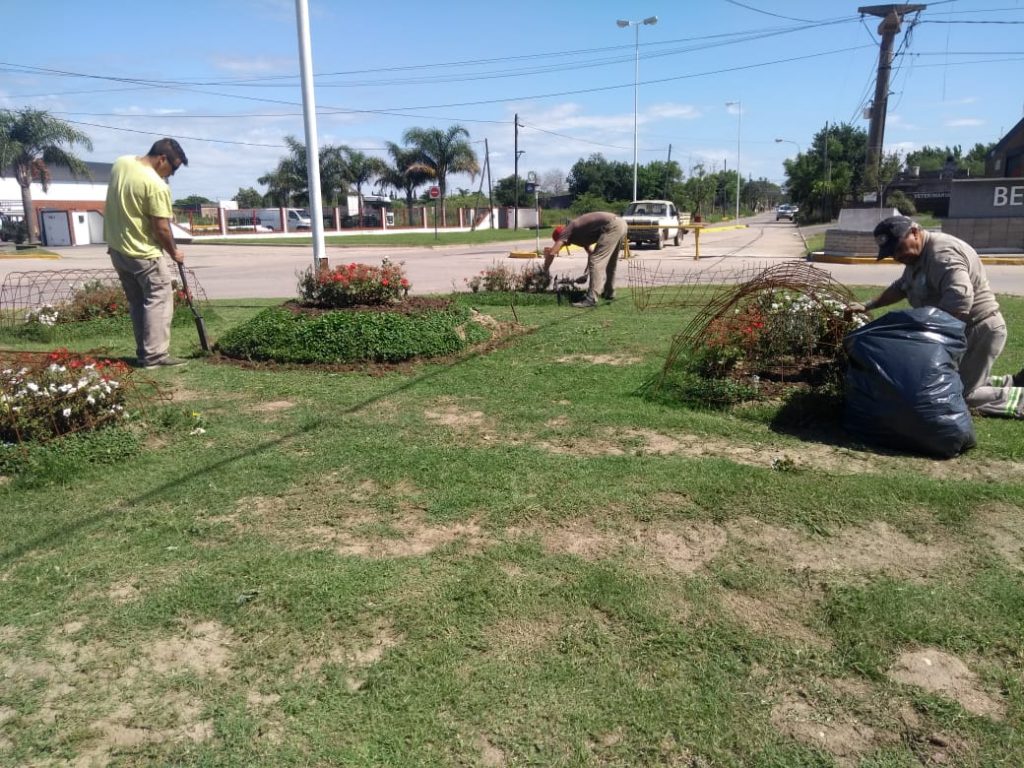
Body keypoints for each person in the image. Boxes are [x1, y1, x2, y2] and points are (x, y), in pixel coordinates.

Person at [850, 215, 1023, 418]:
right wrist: (868, 305)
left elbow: (959, 300)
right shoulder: (916, 258)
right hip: (964, 332)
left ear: (914, 232)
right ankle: (1014, 382)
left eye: (898, 248)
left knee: (958, 396)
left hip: (978, 330)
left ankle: (1018, 400)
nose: (896, 256)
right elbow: (901, 287)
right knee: (955, 382)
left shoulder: (941, 254)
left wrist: (930, 339)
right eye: (892, 253)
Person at [104, 138, 189, 368]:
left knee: (138, 302)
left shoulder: (121, 163)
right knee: (159, 299)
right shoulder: (156, 185)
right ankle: (155, 356)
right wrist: (174, 252)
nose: (171, 174)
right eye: (173, 168)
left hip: (118, 250)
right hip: (144, 253)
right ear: (162, 159)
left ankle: (144, 352)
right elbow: (161, 227)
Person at [542, 211, 628, 308]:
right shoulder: (579, 234)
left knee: (596, 261)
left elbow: (552, 252)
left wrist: (544, 271)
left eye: (562, 242)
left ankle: (591, 299)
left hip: (612, 225)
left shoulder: (567, 230)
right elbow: (591, 253)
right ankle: (609, 292)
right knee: (611, 262)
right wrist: (586, 274)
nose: (566, 245)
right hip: (620, 224)